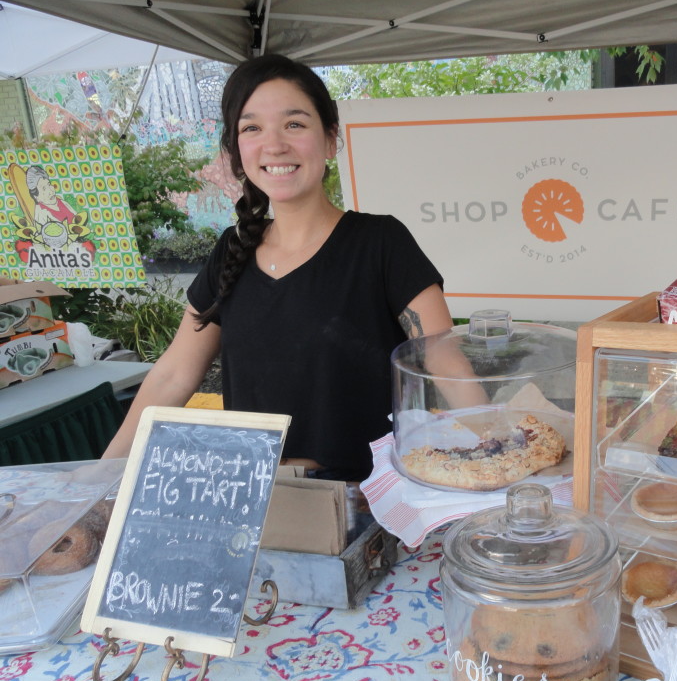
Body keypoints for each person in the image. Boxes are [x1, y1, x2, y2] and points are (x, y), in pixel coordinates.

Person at [104, 54, 454, 495]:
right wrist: (97, 477)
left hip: (373, 502)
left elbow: (443, 360)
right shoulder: (230, 252)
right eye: (252, 128)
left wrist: (498, 449)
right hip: (254, 499)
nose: (274, 145)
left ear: (330, 140)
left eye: (294, 124)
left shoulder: (381, 242)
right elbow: (173, 374)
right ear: (235, 152)